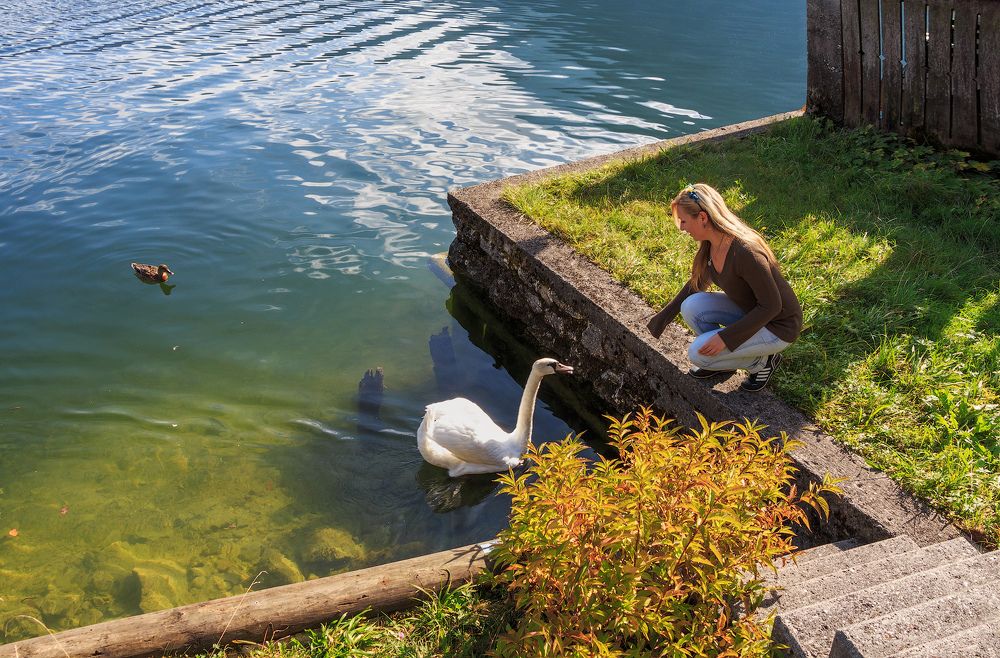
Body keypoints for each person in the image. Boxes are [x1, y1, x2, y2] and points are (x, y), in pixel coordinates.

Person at [646, 183, 802, 392]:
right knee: (691, 306)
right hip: (752, 312)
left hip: (778, 326)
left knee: (697, 354)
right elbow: (696, 285)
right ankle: (722, 363)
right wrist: (661, 320)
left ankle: (760, 363)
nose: (682, 228)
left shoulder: (746, 252)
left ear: (702, 217)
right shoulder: (712, 245)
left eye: (684, 221)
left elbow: (772, 306)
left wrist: (725, 339)